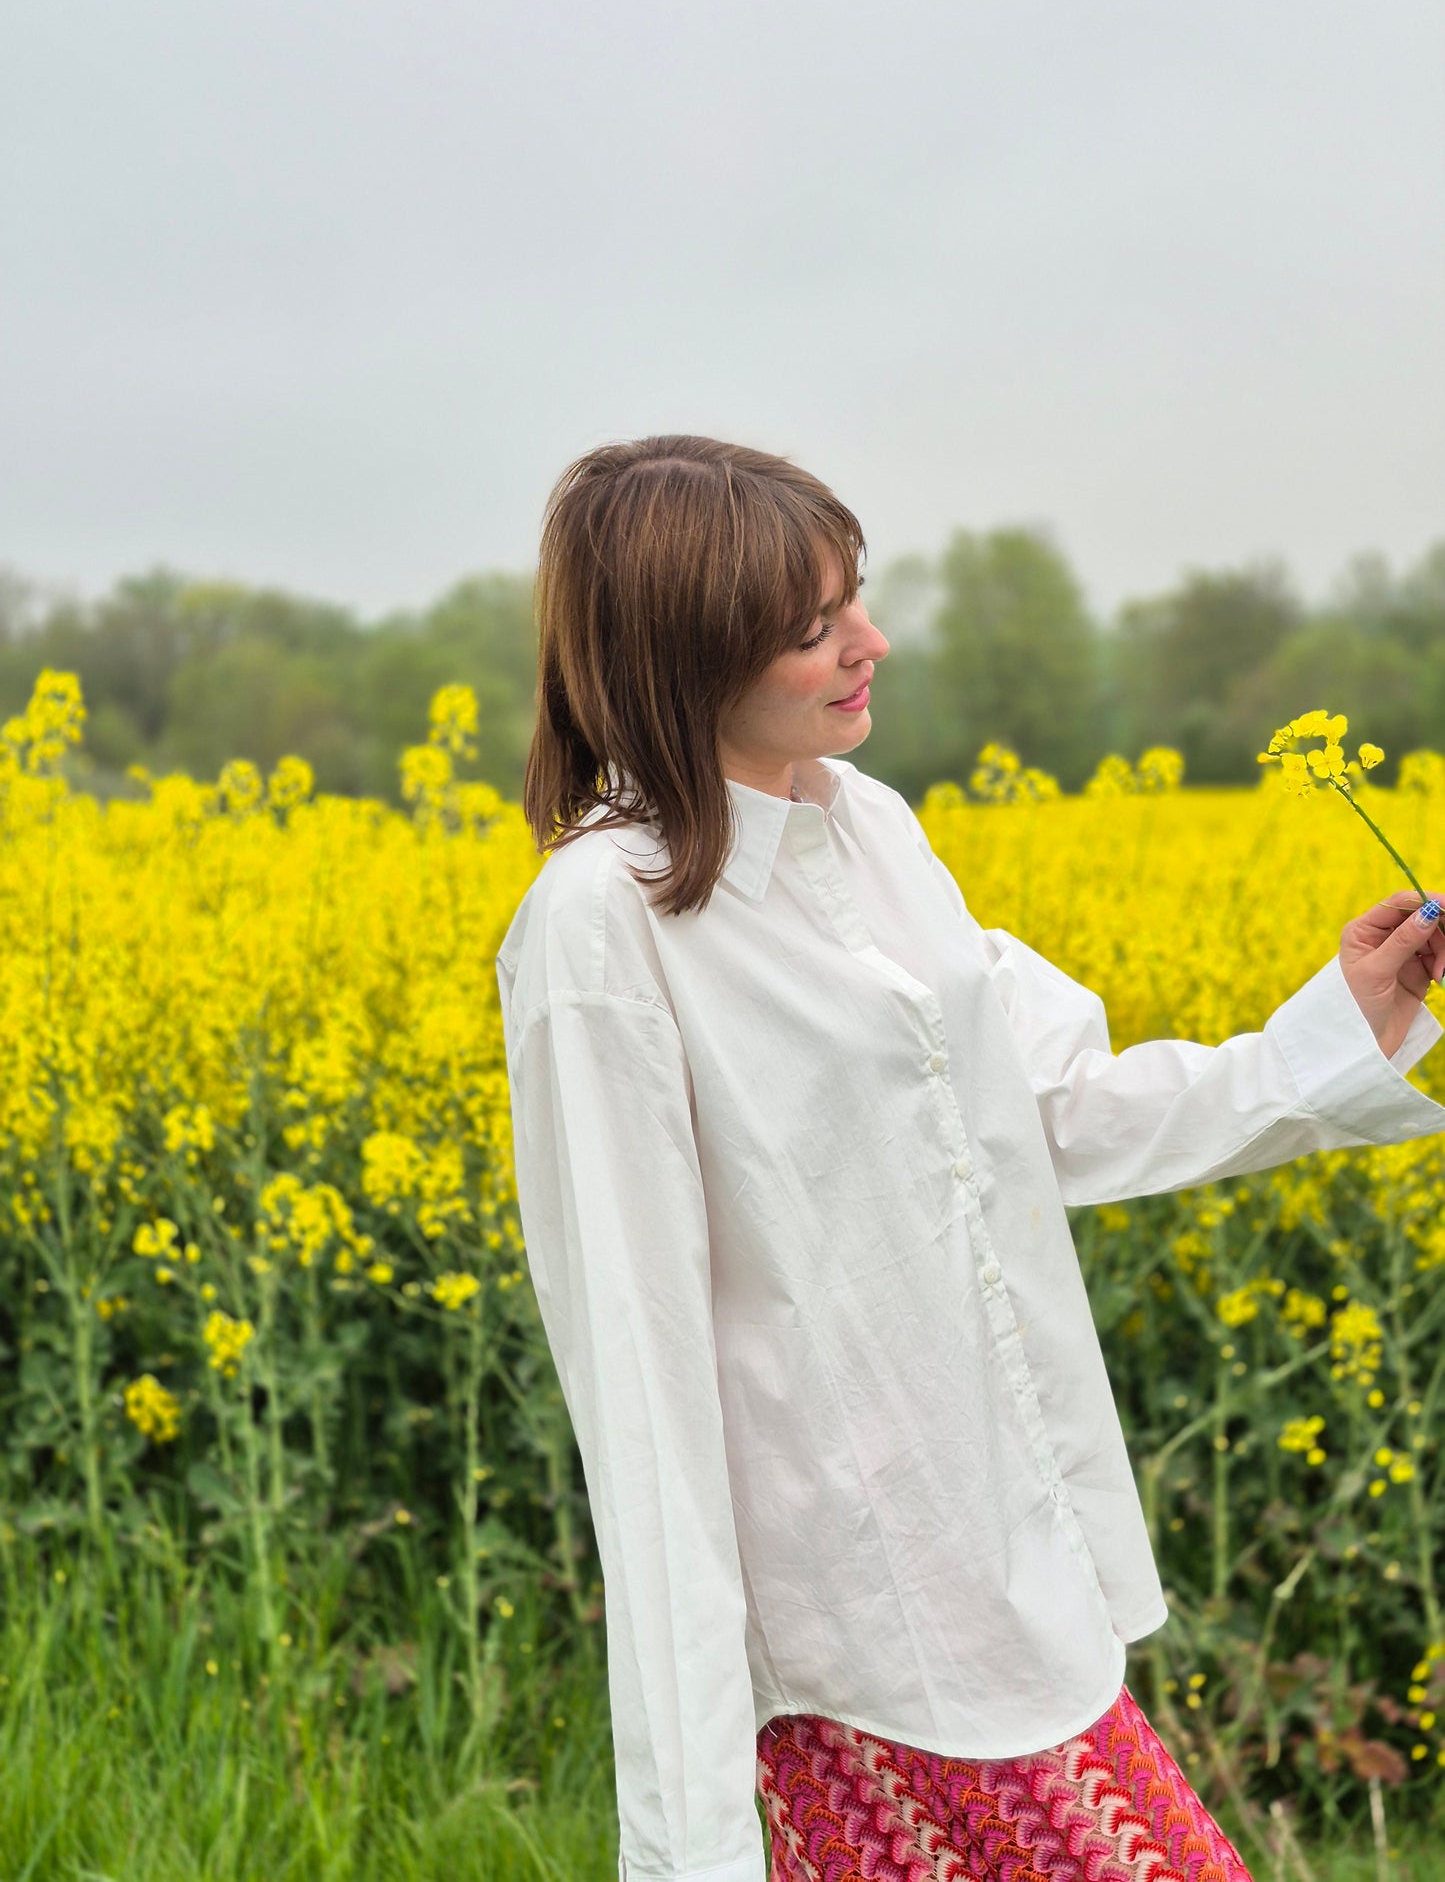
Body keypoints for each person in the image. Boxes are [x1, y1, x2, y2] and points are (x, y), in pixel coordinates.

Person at [494, 434, 1445, 1882]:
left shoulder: (867, 828)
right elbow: (641, 1379)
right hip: (854, 1650)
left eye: (854, 599)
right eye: (812, 629)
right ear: (685, 660)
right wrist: (689, 1839)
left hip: (1003, 1567)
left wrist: (1327, 1038)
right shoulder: (599, 926)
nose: (869, 643)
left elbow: (1043, 1106)